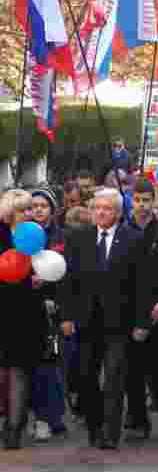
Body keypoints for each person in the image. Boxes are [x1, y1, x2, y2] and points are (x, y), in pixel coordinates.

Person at [62, 188, 144, 450]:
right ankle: (95, 426)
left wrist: (141, 322)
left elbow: (141, 285)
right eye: (97, 207)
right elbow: (68, 280)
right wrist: (66, 316)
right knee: (86, 377)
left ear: (118, 212)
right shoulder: (79, 237)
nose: (100, 212)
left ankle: (110, 433)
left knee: (114, 379)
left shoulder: (133, 239)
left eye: (107, 208)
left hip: (119, 321)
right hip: (86, 320)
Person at [123, 180, 158, 442]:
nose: (142, 205)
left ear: (155, 200)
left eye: (146, 200)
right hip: (128, 310)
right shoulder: (123, 232)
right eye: (137, 200)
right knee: (131, 369)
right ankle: (136, 418)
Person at [0, 190, 48, 449]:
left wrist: (44, 280)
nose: (29, 214)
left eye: (30, 209)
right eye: (22, 210)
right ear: (9, 213)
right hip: (3, 309)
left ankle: (13, 428)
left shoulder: (38, 237)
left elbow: (53, 268)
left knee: (20, 371)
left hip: (27, 312)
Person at [27, 188, 67, 442]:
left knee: (48, 365)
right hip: (25, 307)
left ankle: (49, 417)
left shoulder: (60, 237)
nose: (38, 210)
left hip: (52, 308)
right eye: (34, 206)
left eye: (43, 205)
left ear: (52, 209)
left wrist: (55, 297)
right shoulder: (21, 234)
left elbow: (66, 272)